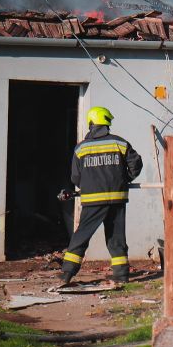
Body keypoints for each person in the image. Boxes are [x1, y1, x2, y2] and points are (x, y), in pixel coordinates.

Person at [59, 106, 143, 285]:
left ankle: (67, 273)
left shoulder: (81, 148)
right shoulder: (119, 143)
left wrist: (88, 186)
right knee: (116, 237)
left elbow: (75, 177)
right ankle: (121, 275)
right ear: (106, 123)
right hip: (117, 199)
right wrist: (125, 179)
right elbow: (136, 163)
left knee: (81, 236)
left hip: (92, 201)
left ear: (91, 123)